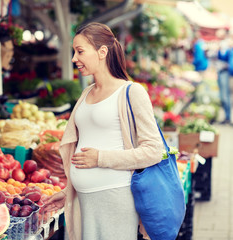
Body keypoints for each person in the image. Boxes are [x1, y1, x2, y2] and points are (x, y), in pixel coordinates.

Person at [44, 22, 163, 240]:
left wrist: (101, 158)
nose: (74, 59)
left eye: (80, 51)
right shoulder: (87, 92)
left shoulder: (132, 92)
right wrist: (68, 192)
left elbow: (154, 151)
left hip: (114, 198)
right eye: (74, 52)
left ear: (102, 52)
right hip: (83, 200)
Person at [218, 35, 233, 125]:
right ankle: (230, 118)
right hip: (232, 76)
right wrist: (221, 49)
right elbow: (223, 57)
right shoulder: (232, 50)